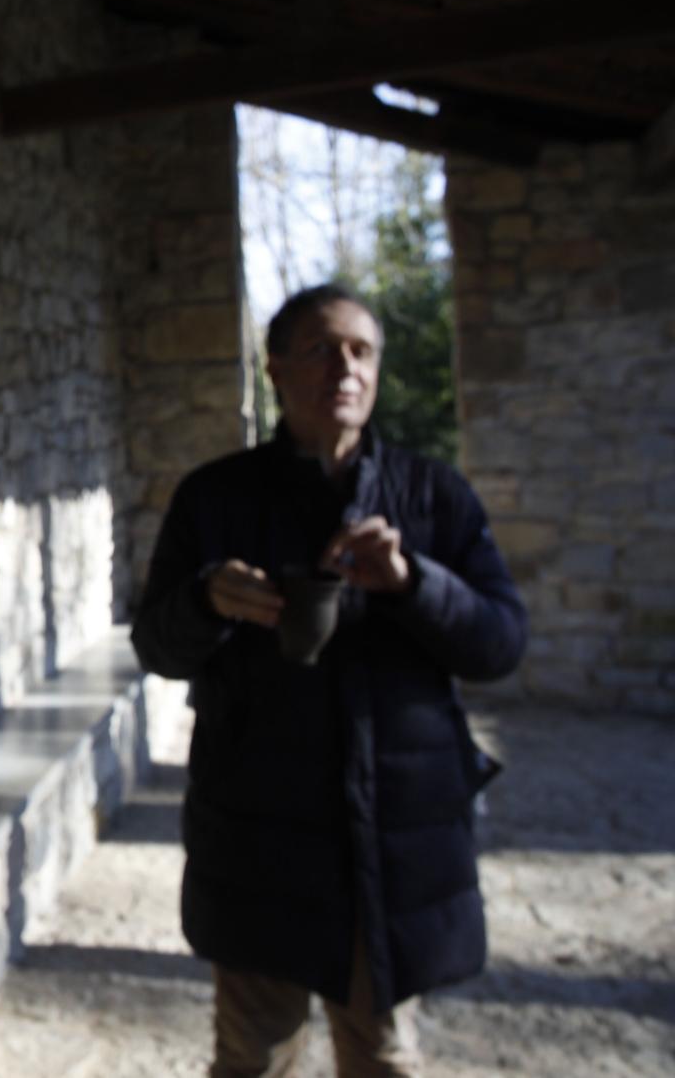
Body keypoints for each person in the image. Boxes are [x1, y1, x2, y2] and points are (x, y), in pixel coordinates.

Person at [132, 282, 526, 1078]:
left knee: (382, 1058)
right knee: (254, 1060)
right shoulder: (216, 498)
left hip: (391, 841)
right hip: (257, 840)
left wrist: (415, 582)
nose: (344, 366)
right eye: (321, 347)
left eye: (361, 349)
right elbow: (157, 647)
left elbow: (499, 643)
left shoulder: (433, 497)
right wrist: (207, 599)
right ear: (275, 369)